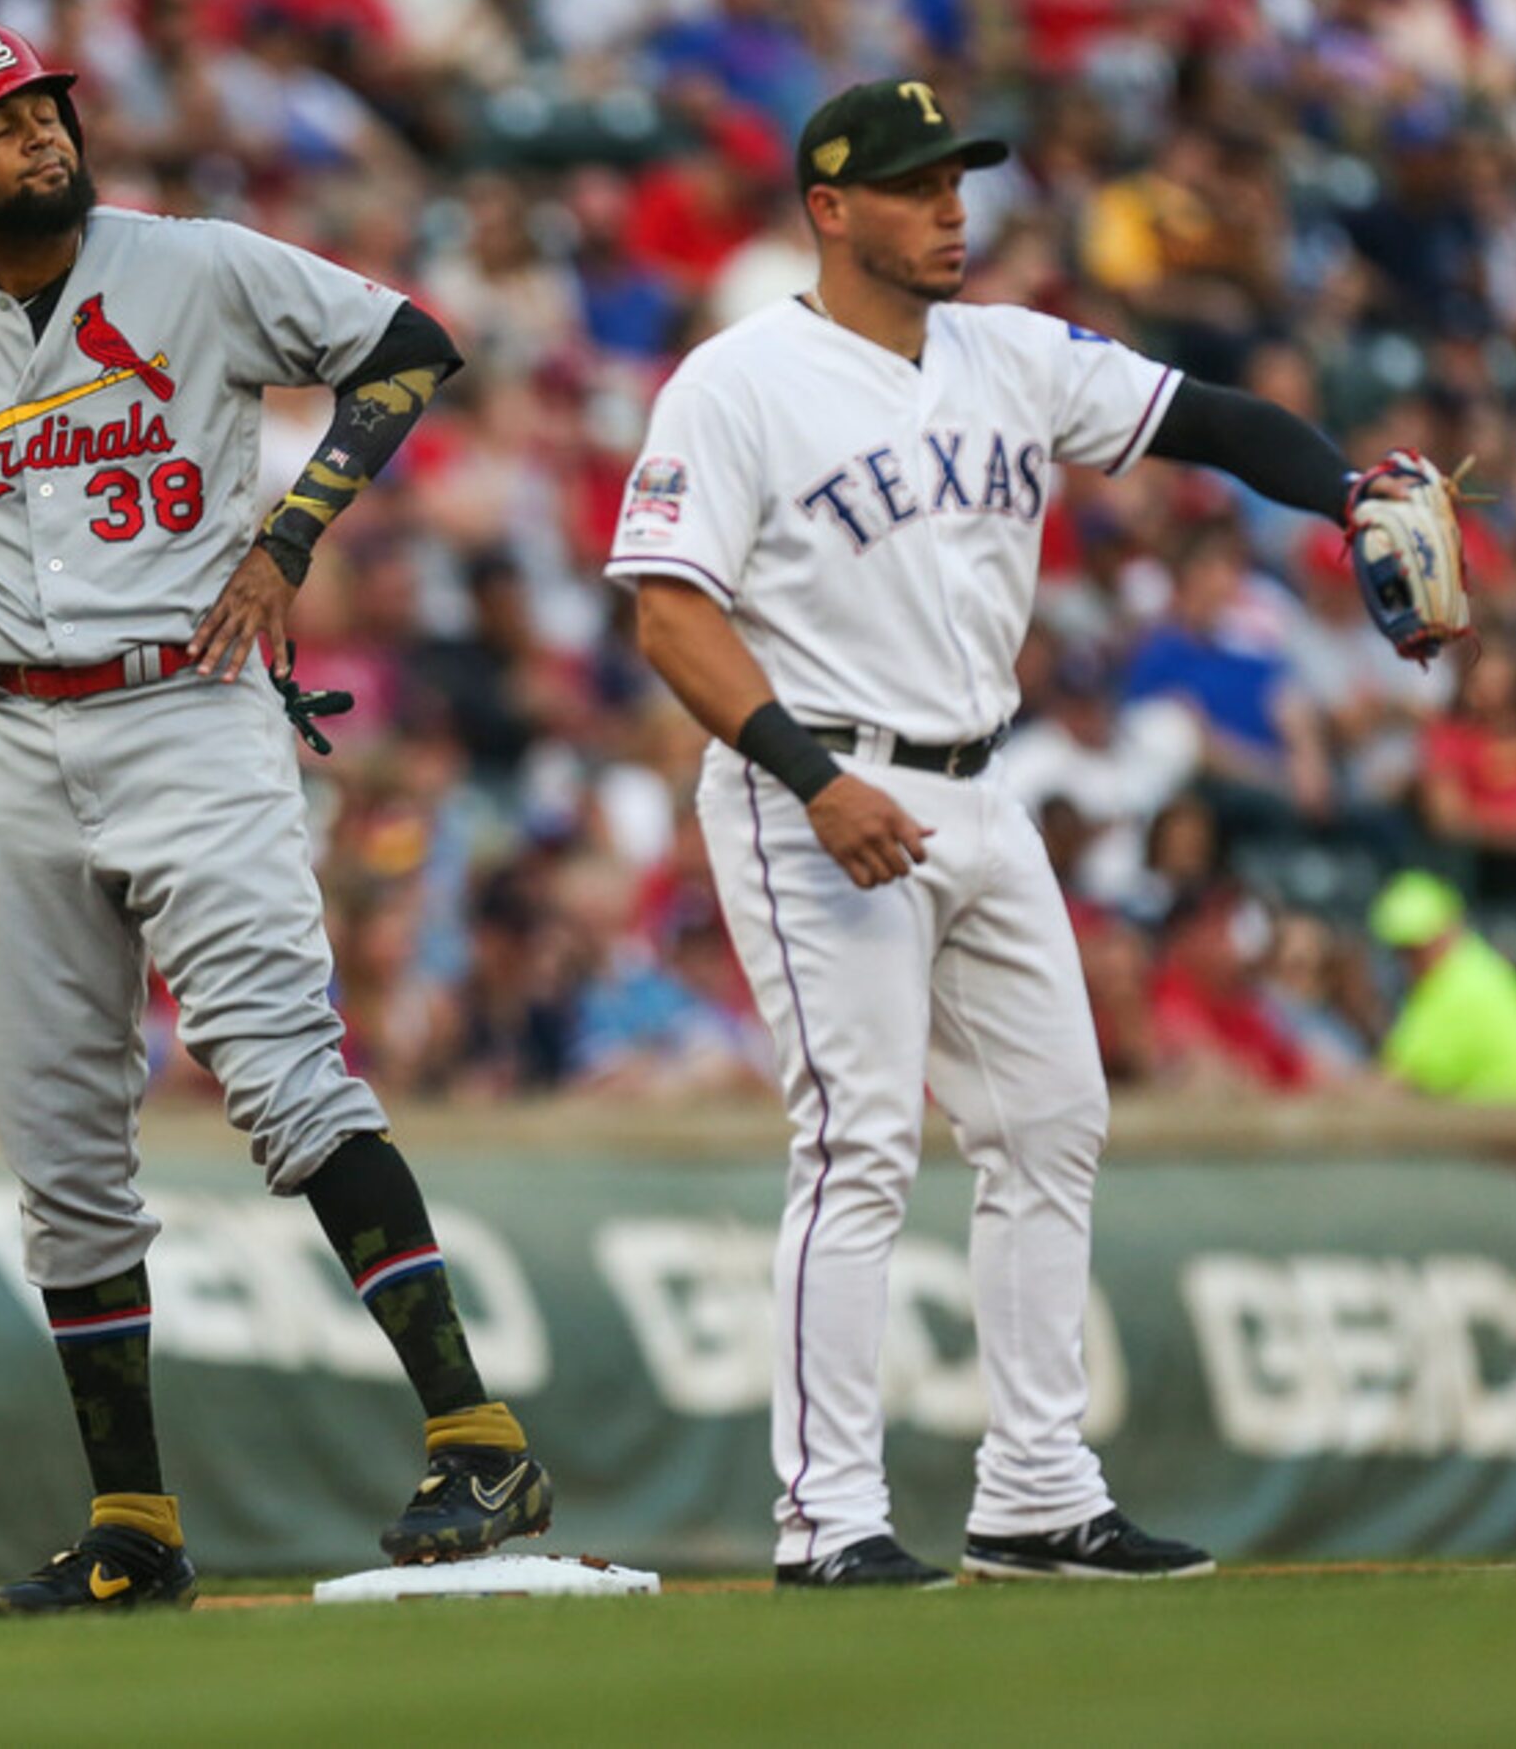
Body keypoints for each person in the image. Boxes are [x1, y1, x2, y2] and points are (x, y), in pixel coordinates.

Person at [0, 24, 551, 1616]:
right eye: (2, 122)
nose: (44, 134)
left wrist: (294, 530)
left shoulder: (188, 266)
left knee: (277, 1065)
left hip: (190, 706)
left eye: (50, 106)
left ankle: (479, 1438)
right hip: (17, 746)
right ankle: (134, 1523)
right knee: (58, 1143)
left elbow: (408, 341)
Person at [609, 77, 1440, 1588]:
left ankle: (1038, 1490)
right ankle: (828, 1515)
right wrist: (809, 776)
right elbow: (671, 615)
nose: (951, 207)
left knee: (1053, 1126)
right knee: (859, 1144)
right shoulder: (734, 383)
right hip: (819, 789)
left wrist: (1347, 490)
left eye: (960, 178)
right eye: (919, 182)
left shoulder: (1010, 352)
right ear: (830, 206)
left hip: (983, 788)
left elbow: (1214, 417)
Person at [1369, 871, 1516, 1104]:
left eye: (1419, 945)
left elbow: (1395, 1084)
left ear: (1449, 930)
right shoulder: (1473, 968)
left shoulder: (1459, 985)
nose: (1409, 959)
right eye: (1402, 949)